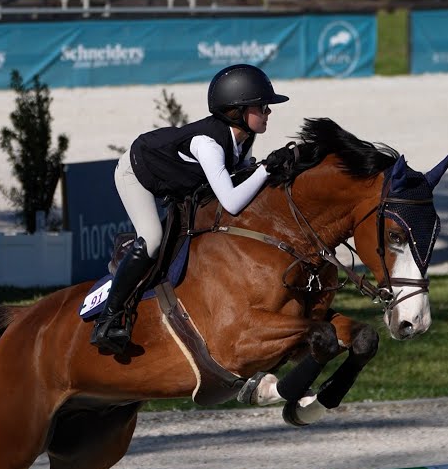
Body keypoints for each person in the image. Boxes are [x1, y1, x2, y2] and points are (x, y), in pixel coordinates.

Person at [90, 63, 297, 354]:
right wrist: (265, 169)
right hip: (137, 172)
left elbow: (241, 177)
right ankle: (109, 318)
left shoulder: (244, 136)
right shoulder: (209, 144)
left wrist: (272, 170)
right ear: (237, 111)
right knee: (152, 238)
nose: (268, 112)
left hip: (179, 179)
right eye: (262, 106)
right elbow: (233, 202)